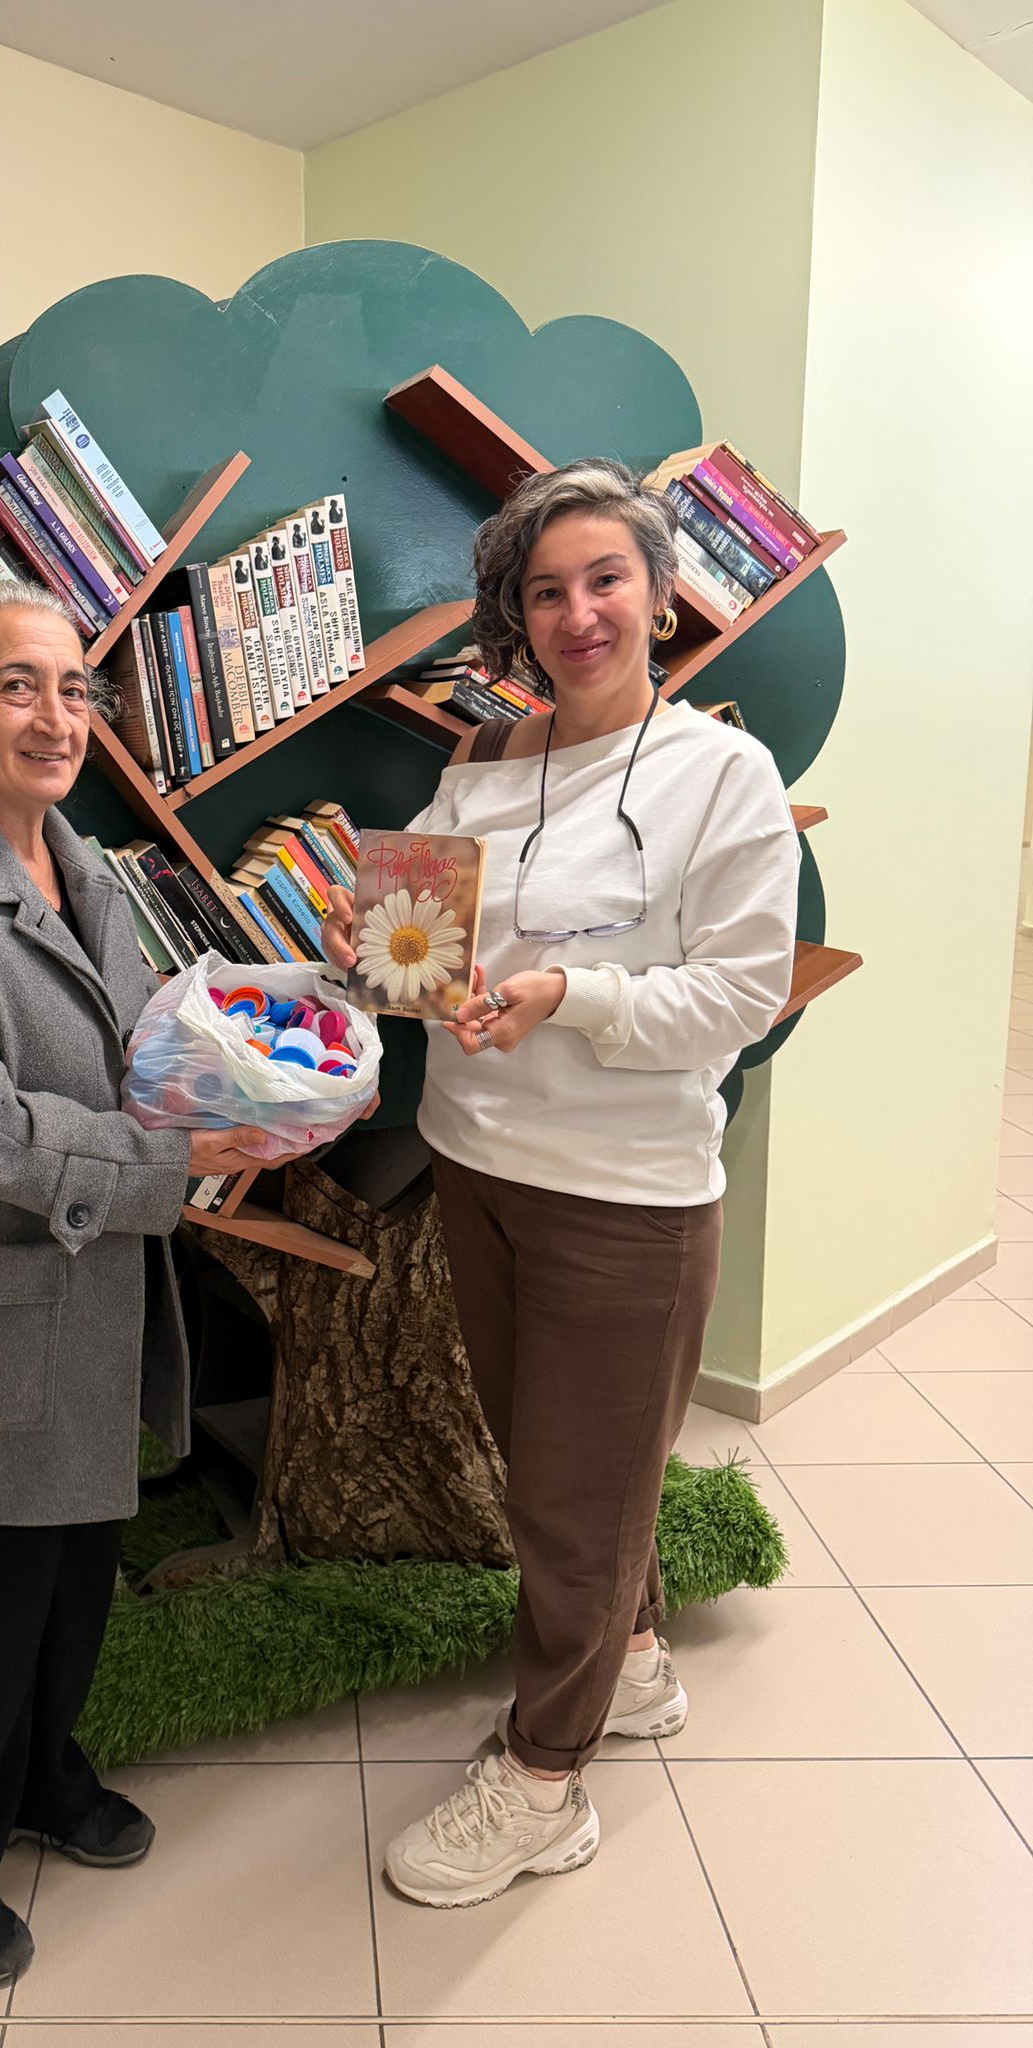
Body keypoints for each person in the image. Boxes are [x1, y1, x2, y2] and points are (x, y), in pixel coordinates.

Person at [322, 458, 799, 1909]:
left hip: (626, 1196)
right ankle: (635, 1660)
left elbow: (741, 995)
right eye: (545, 591)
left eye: (606, 580)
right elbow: (437, 947)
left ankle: (543, 1781)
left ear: (662, 596)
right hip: (477, 1165)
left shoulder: (723, 775)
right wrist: (380, 949)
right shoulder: (480, 763)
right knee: (556, 1469)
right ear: (514, 617)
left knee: (574, 1509)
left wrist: (571, 997)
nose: (578, 613)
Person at [0, 579, 269, 1985]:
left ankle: (38, 1780)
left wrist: (256, 1092)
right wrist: (173, 1159)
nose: (58, 716)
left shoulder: (85, 870)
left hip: (88, 1294)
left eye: (76, 688)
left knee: (73, 1581)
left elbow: (140, 1054)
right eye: (19, 686)